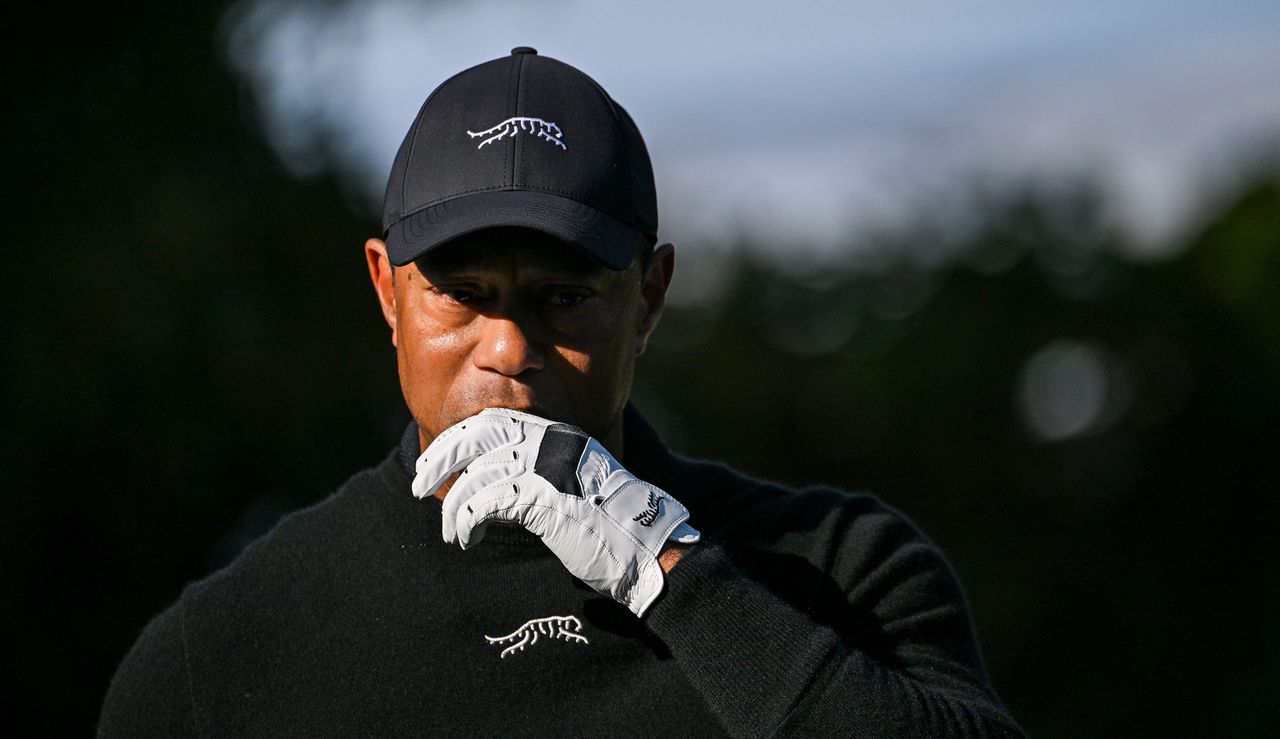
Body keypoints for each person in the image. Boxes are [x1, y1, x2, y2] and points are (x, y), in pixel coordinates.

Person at [99, 47, 1023, 737]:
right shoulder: (224, 654)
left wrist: (679, 578)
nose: (508, 345)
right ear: (387, 289)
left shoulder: (843, 572)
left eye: (563, 298)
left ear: (649, 297)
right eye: (462, 295)